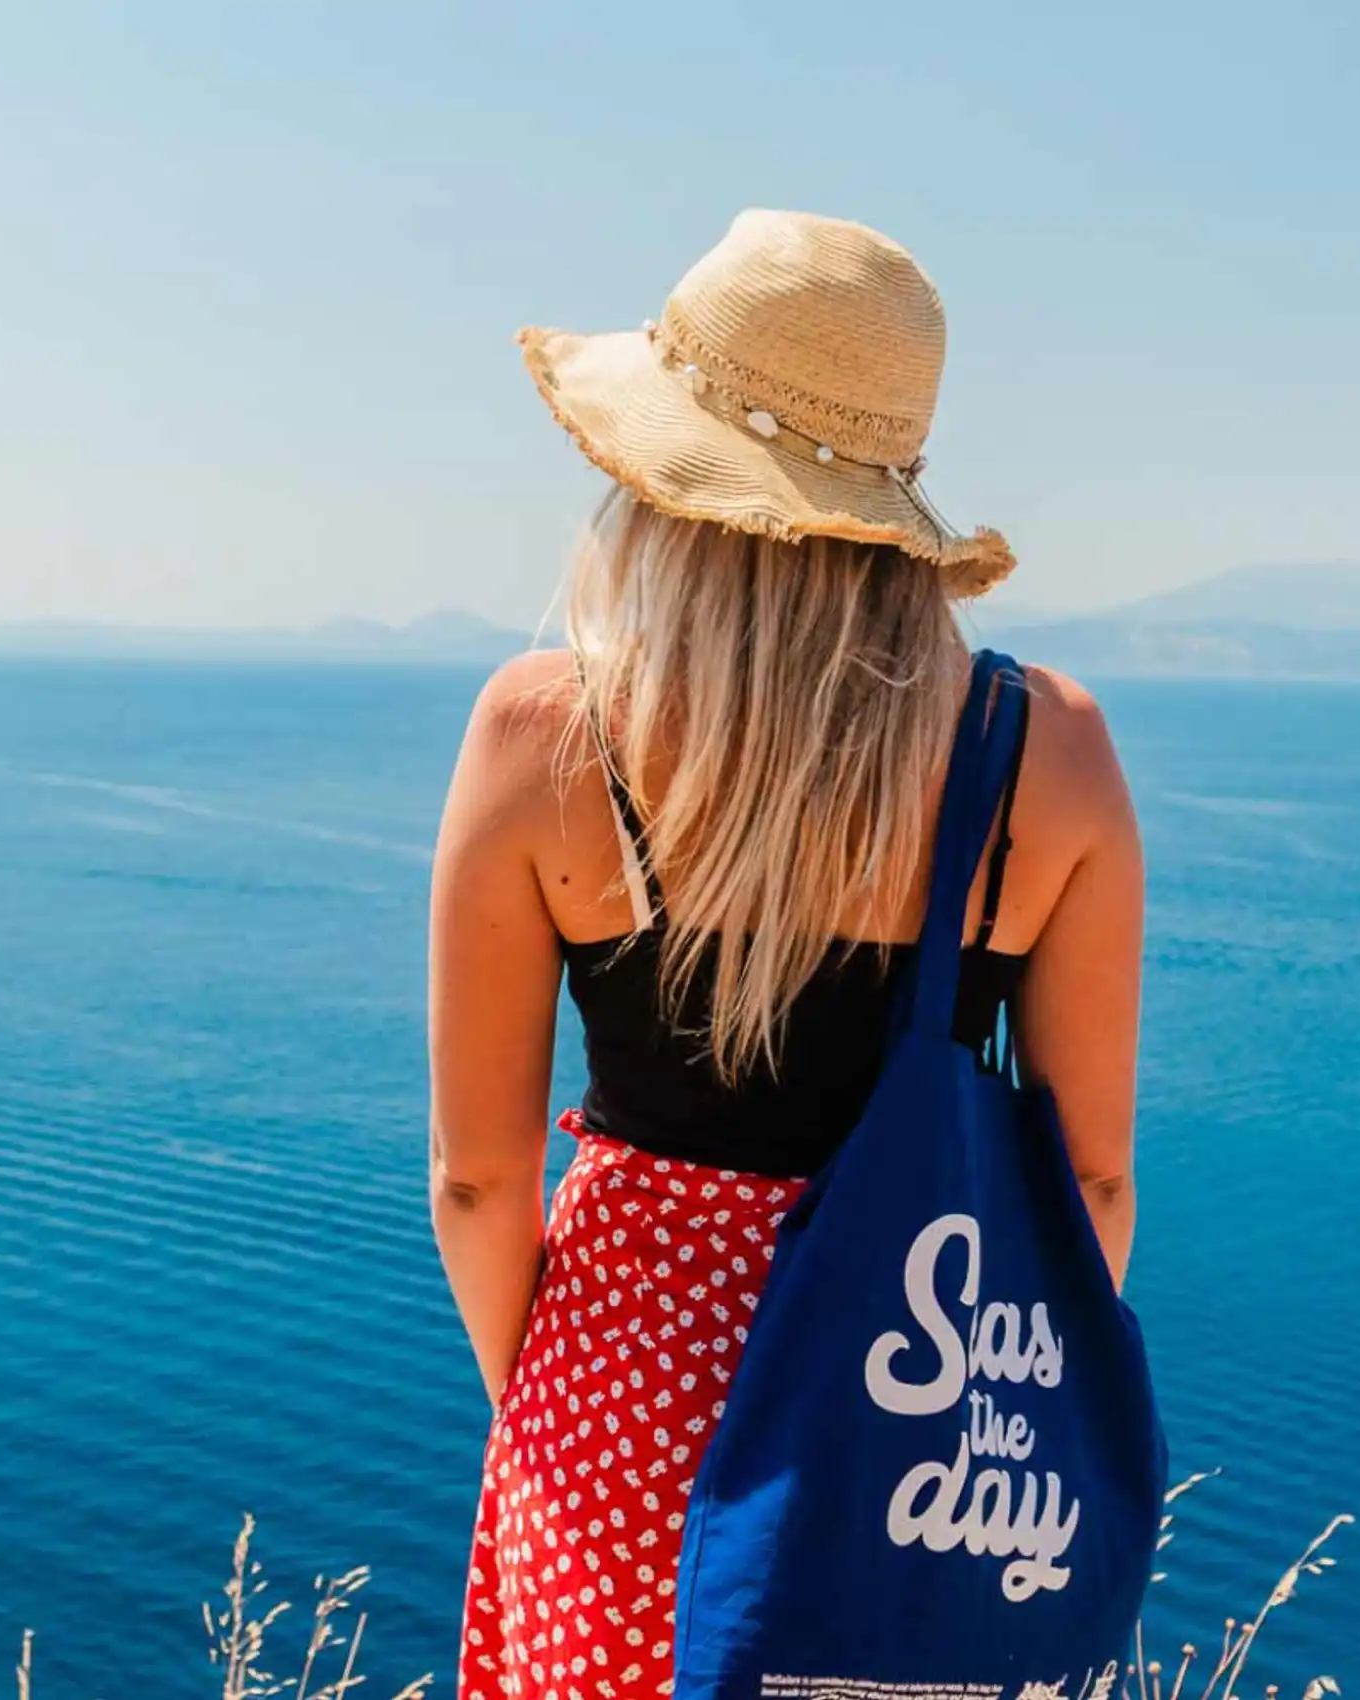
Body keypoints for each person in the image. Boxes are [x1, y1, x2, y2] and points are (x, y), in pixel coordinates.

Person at [428, 209, 1144, 1699]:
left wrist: (555, 1404)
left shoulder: (543, 737)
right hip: (916, 1414)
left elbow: (480, 1180)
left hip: (618, 1411)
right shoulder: (1046, 750)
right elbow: (1091, 1188)